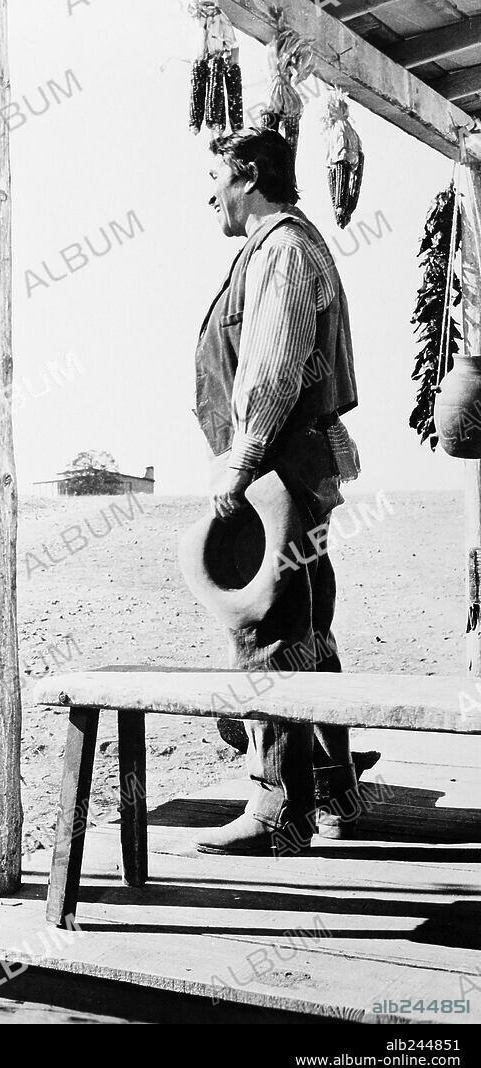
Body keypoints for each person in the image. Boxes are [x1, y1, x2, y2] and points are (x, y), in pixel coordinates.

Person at [193, 128, 365, 856]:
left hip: (275, 472)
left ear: (250, 177)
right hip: (285, 468)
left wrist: (239, 461)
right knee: (306, 628)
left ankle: (277, 809)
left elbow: (271, 364)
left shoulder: (285, 250)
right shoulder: (274, 247)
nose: (210, 192)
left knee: (266, 631)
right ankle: (331, 784)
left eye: (216, 177)